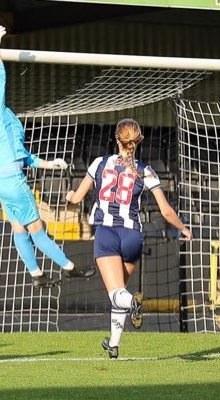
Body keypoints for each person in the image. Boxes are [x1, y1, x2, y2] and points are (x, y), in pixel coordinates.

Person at [0, 25, 96, 289]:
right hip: (13, 181)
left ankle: (36, 274)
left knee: (19, 228)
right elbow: (0, 76)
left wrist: (50, 163)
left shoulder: (5, 124)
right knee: (38, 230)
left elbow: (25, 156)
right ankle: (68, 267)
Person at [66, 118, 192, 359]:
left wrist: (70, 195)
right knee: (120, 291)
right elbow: (165, 211)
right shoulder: (146, 170)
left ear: (117, 139)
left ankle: (133, 301)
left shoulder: (99, 163)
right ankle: (113, 344)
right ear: (138, 142)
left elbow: (78, 197)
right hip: (133, 236)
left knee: (117, 294)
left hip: (107, 233)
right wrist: (184, 229)